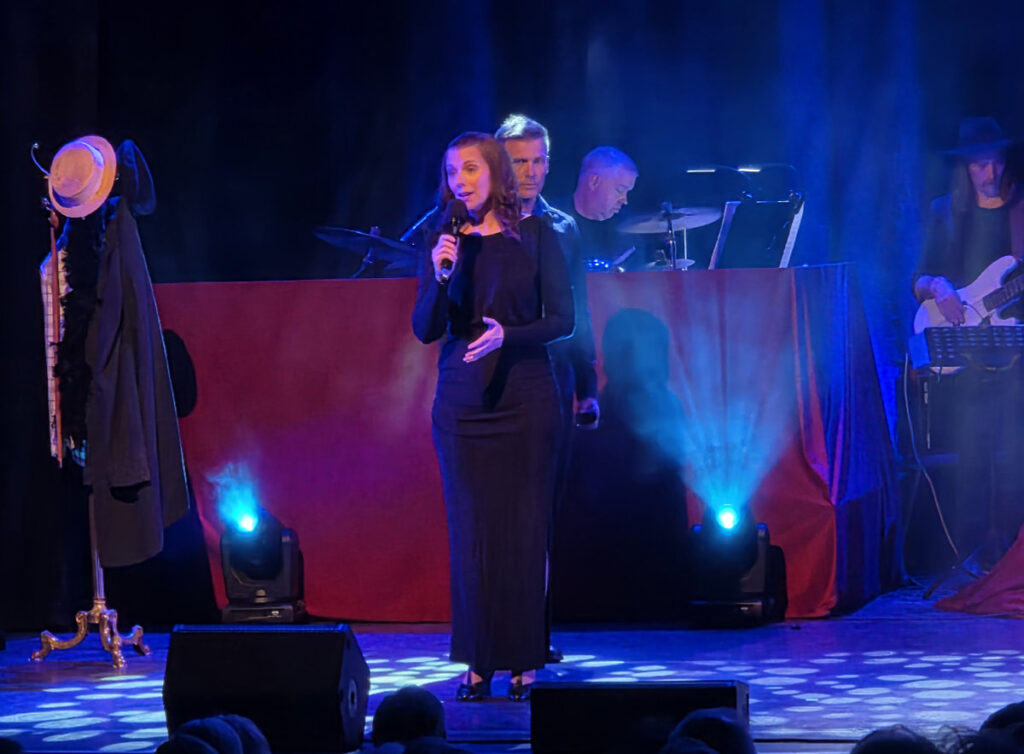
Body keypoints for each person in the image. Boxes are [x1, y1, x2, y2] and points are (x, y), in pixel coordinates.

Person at [411, 132, 574, 702]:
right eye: (452, 172)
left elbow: (564, 320)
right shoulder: (443, 240)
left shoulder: (537, 235)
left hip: (526, 398)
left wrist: (511, 336)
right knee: (471, 534)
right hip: (462, 404)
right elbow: (426, 328)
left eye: (471, 169)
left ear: (496, 172)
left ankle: (525, 659)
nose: (460, 181)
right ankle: (478, 661)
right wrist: (440, 275)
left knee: (524, 531)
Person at [495, 114, 599, 663]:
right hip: (496, 383)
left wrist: (587, 384)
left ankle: (533, 633)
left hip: (553, 377)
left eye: (539, 161)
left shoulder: (563, 228)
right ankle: (493, 635)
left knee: (540, 511)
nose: (531, 172)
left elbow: (579, 310)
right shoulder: (481, 224)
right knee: (497, 513)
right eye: (520, 162)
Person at [912, 117, 1024, 563]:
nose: (990, 172)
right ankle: (976, 551)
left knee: (1015, 453)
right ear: (965, 167)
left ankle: (1012, 551)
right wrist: (939, 286)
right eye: (979, 165)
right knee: (972, 454)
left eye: (996, 162)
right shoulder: (945, 212)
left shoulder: (1020, 208)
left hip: (1014, 350)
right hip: (964, 351)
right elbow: (917, 279)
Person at [552, 146, 639, 265]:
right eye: (620, 190)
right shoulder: (550, 221)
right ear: (594, 182)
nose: (624, 200)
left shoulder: (629, 229)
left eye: (627, 192)